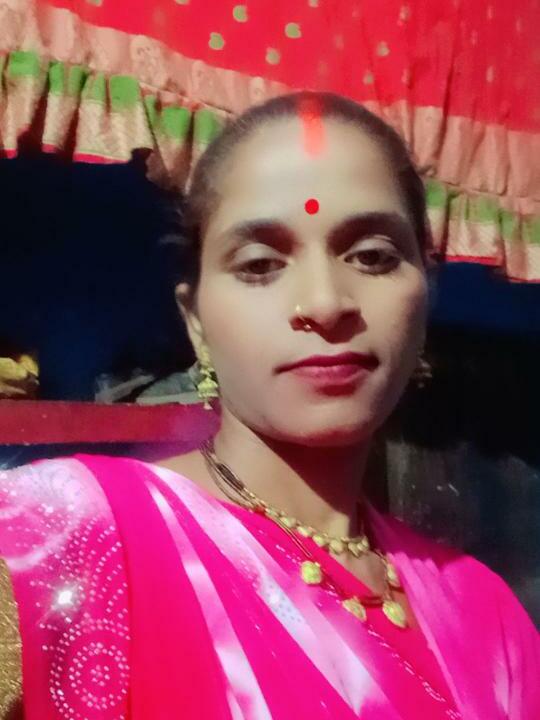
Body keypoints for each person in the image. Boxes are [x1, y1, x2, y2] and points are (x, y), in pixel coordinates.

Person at [1, 91, 538, 720]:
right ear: (195, 320)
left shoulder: (485, 611)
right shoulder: (56, 536)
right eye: (260, 264)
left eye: (372, 256)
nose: (325, 303)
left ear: (427, 292)